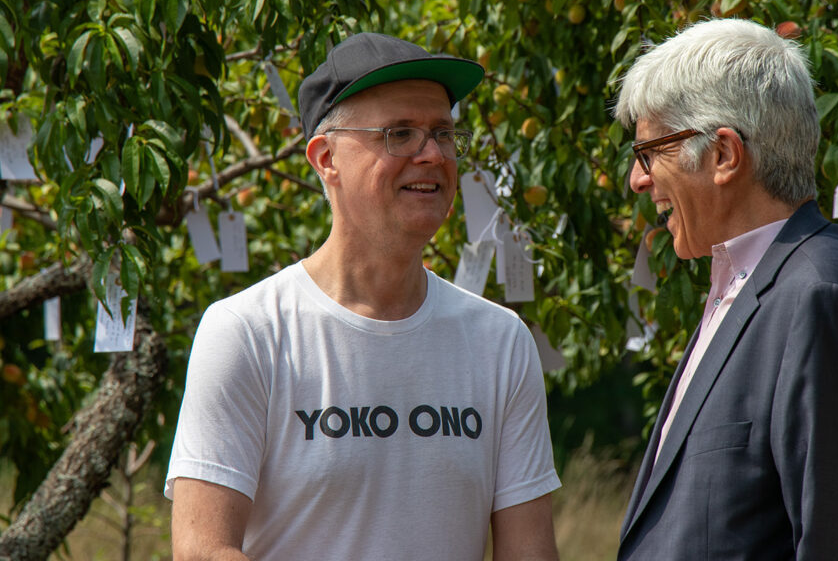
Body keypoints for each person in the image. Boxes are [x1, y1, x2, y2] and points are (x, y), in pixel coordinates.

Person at [165, 32, 561, 560]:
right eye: (400, 134)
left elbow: (529, 553)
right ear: (326, 158)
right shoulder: (249, 332)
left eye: (443, 133)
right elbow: (202, 550)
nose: (432, 154)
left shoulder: (500, 341)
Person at [613, 19, 838, 560]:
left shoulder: (820, 297)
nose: (638, 179)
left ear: (724, 155)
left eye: (649, 152)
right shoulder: (748, 286)